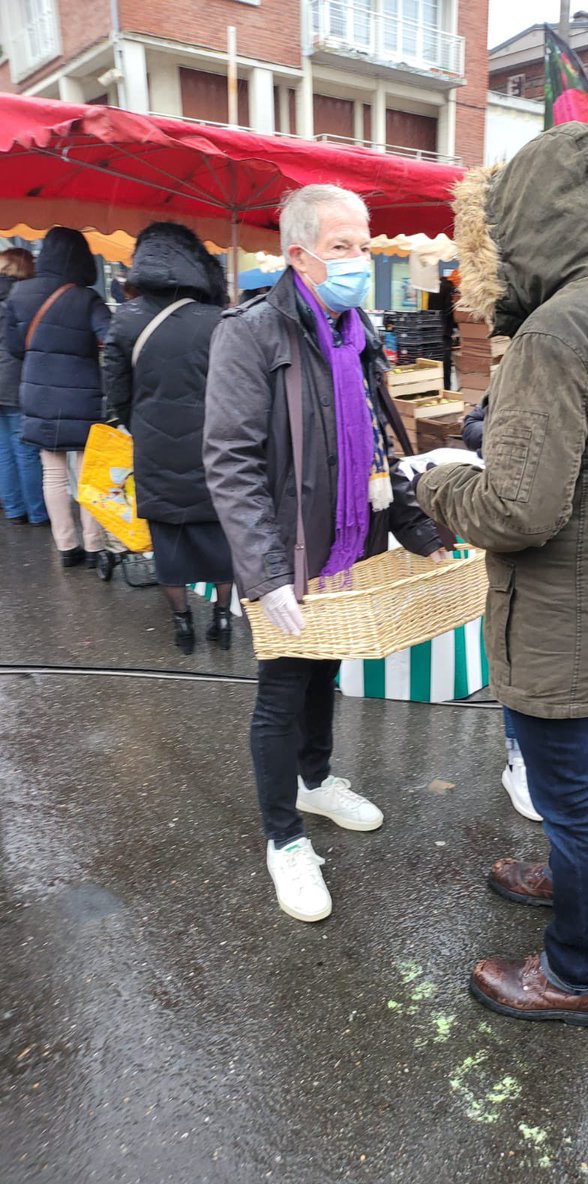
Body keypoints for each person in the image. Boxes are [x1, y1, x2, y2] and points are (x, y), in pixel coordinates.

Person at [416, 123, 588, 1026]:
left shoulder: (559, 327)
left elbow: (517, 512)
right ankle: (563, 880)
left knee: (576, 804)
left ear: (529, 223)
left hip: (565, 616)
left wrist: (440, 483)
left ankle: (573, 976)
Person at [203, 184, 446, 924]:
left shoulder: (358, 330)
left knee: (326, 670)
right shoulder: (249, 334)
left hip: (351, 543)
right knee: (282, 690)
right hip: (290, 550)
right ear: (299, 255)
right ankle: (284, 838)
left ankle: (315, 779)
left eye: (364, 244)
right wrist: (266, 572)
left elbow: (380, 443)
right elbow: (232, 461)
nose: (359, 260)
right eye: (343, 247)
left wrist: (418, 530)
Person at [103, 222, 233, 655]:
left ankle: (182, 626)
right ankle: (221, 619)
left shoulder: (124, 321)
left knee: (168, 545)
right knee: (219, 538)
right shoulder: (219, 321)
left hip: (154, 449)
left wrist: (141, 423)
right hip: (214, 450)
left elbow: (116, 393)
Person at [5, 226, 110, 566]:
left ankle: (66, 547)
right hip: (81, 394)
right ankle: (94, 546)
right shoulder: (86, 297)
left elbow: (16, 348)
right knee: (87, 473)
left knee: (53, 472)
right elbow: (110, 338)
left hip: (37, 393)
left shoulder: (19, 294)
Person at [460, 393, 541, 824]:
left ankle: (538, 761)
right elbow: (471, 425)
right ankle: (518, 762)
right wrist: (511, 442)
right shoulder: (520, 369)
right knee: (513, 657)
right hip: (517, 547)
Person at [0, 249, 49, 527]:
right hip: (14, 378)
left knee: (3, 447)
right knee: (25, 447)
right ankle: (38, 512)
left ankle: (14, 509)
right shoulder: (21, 296)